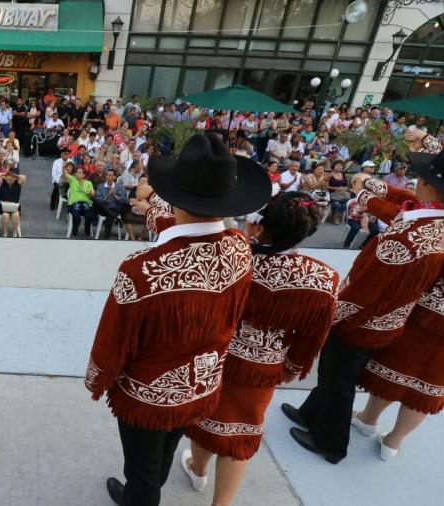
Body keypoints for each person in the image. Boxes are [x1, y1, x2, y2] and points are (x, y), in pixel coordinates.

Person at [86, 133, 271, 506]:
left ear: (176, 198)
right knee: (166, 450)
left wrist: (97, 377)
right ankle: (148, 486)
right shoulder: (240, 247)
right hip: (202, 384)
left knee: (141, 470)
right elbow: (184, 229)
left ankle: (141, 495)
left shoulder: (142, 268)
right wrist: (153, 203)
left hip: (148, 394)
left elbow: (113, 338)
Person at [283, 144, 444, 464]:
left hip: (361, 322)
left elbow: (365, 291)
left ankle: (331, 443)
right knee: (334, 374)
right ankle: (310, 414)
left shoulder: (407, 236)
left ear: (429, 184)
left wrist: (329, 315)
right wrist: (369, 190)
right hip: (387, 320)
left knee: (338, 380)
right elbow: (402, 205)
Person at [181, 192, 338, 506]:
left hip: (215, 356)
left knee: (205, 418)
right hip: (263, 368)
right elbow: (311, 338)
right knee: (241, 433)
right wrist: (292, 366)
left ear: (260, 227)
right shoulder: (323, 279)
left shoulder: (230, 257)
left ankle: (198, 469)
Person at [348, 170, 444, 461]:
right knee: (430, 382)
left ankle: (368, 420)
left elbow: (413, 209)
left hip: (430, 307)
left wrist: (367, 194)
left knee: (398, 365)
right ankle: (394, 442)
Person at [93, 169, 127, 239]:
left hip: (114, 208)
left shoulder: (119, 187)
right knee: (96, 202)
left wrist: (115, 195)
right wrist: (108, 195)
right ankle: (117, 219)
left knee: (110, 216)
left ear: (114, 177)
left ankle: (106, 237)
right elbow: (100, 201)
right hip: (103, 208)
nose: (108, 177)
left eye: (110, 175)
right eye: (107, 175)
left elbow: (124, 201)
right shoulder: (101, 186)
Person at [65, 164, 96, 238]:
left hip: (86, 204)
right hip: (73, 204)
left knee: (89, 216)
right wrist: (64, 167)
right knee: (76, 215)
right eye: (76, 172)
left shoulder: (89, 183)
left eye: (79, 173)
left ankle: (87, 232)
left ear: (84, 175)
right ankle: (74, 233)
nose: (77, 174)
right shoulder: (72, 180)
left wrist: (91, 193)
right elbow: (65, 174)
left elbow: (93, 194)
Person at [0, 170, 23, 238]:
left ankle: (15, 231)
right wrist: (5, 174)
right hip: (4, 206)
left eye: (11, 180)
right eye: (8, 180)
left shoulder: (18, 183)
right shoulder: (2, 182)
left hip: (15, 206)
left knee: (16, 215)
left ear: (14, 179)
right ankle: (5, 232)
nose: (9, 181)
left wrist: (16, 176)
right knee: (5, 216)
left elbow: (24, 177)